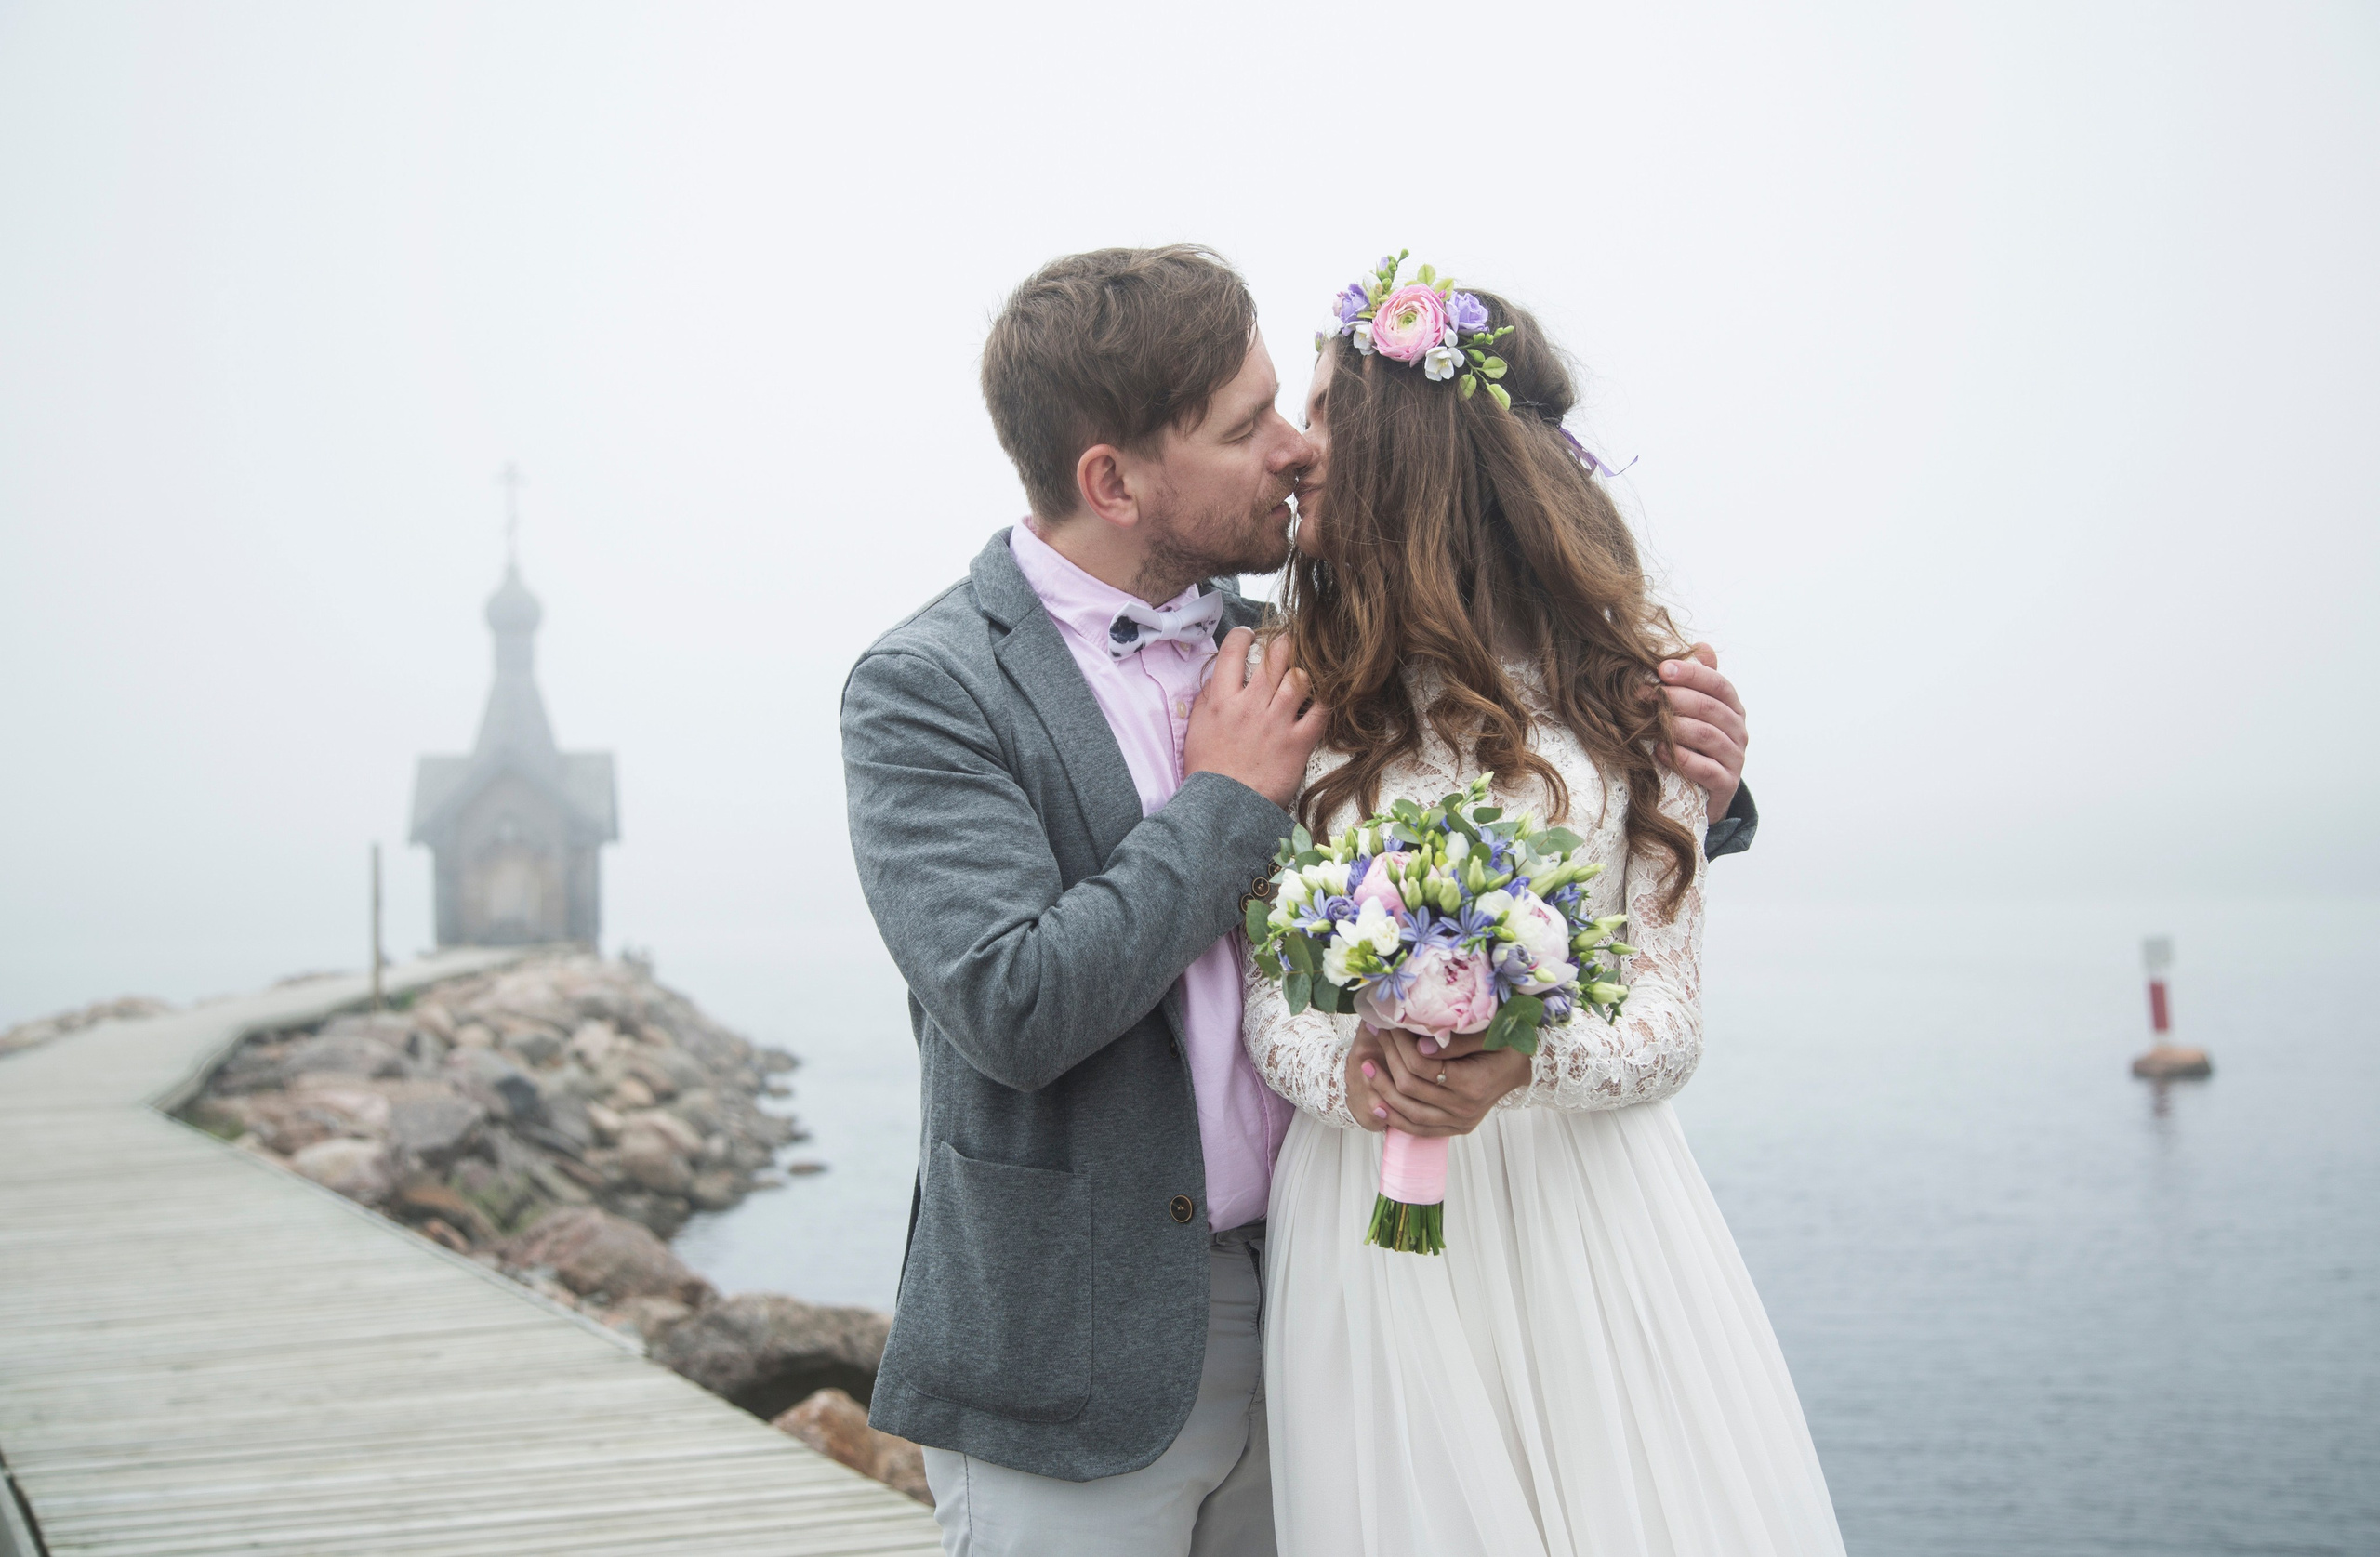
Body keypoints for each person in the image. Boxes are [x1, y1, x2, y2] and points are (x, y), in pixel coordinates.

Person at [840, 244, 1755, 1557]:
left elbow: (1498, 756)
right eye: (1244, 425)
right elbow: (1012, 1003)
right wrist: (1223, 804)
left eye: (1287, 404)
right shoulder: (926, 687)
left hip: (1327, 1311)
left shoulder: (1302, 647)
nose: (1292, 450)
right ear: (1114, 479)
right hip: (1079, 1350)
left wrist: (1702, 783)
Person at [1242, 259, 1841, 1556]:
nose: (1297, 452)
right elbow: (1267, 1009)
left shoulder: (1645, 692)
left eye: (1328, 418)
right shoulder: (1297, 687)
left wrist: (1517, 1061)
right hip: (1370, 1239)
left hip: (1591, 1230)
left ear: (1411, 456)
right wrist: (1358, 1071)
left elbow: (1669, 1027)